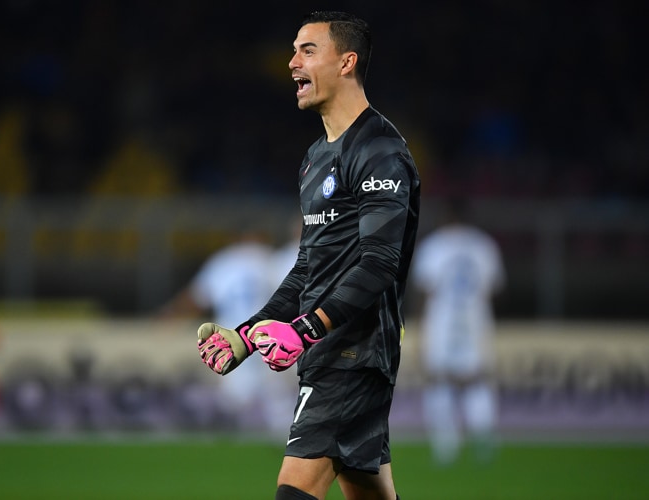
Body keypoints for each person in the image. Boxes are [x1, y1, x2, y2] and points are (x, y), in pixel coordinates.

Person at [197, 11, 420, 500]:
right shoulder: (316, 158)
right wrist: (246, 335)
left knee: (293, 490)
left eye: (307, 50)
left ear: (346, 62)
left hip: (354, 351)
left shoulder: (380, 150)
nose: (291, 61)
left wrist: (304, 329)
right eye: (293, 50)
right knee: (366, 488)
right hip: (328, 350)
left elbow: (379, 264)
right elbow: (307, 269)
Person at [159, 228, 294, 432]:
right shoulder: (270, 260)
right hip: (269, 335)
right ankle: (290, 445)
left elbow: (196, 298)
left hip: (234, 337)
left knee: (237, 400)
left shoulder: (224, 261)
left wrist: (170, 317)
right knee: (278, 400)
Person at [411, 198, 505, 465]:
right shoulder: (484, 245)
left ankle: (446, 448)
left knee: (439, 382)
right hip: (475, 323)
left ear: (446, 218)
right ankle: (484, 443)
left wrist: (419, 329)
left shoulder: (434, 246)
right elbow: (494, 290)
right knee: (478, 382)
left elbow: (425, 292)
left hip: (441, 325)